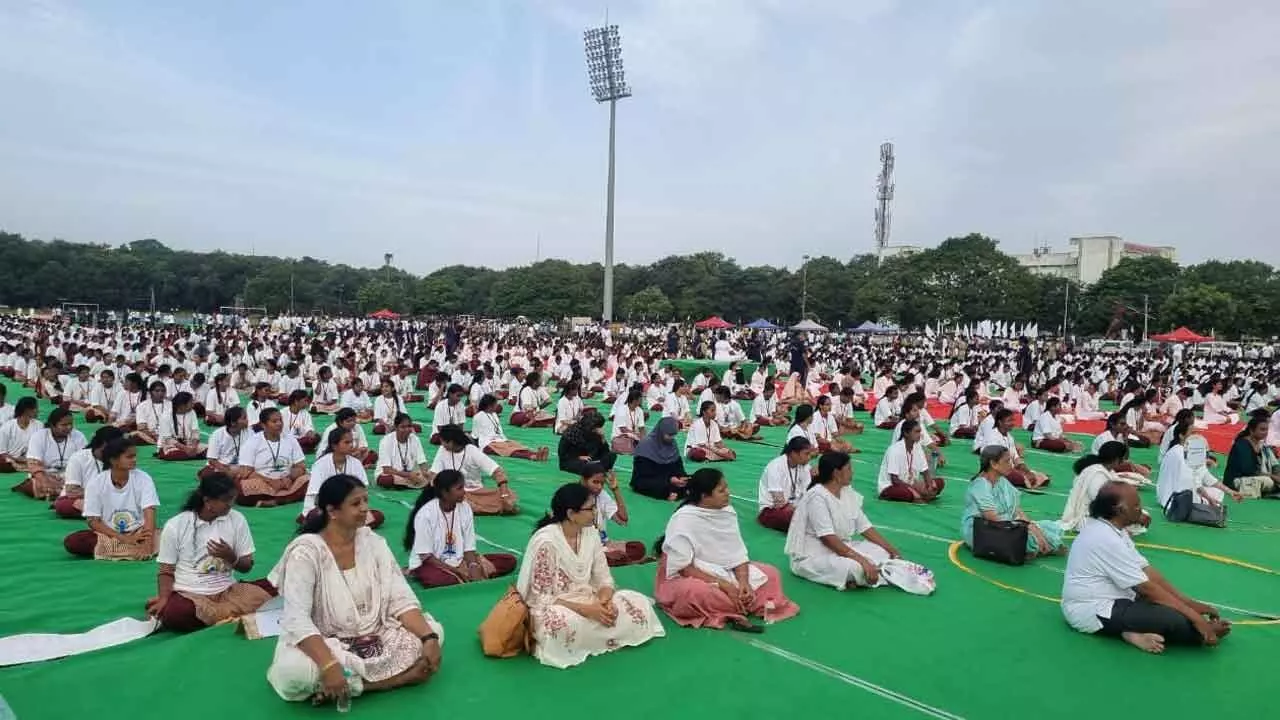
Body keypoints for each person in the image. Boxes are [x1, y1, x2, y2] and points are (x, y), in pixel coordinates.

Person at [265, 475, 444, 706]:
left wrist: (429, 638)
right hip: (328, 642)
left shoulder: (373, 542)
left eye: (366, 500)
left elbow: (401, 599)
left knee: (435, 632)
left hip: (376, 635)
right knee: (294, 672)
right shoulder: (306, 553)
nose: (365, 508)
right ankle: (393, 680)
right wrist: (328, 665)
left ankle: (348, 686)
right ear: (332, 511)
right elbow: (297, 619)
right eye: (356, 503)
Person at [1061, 481, 1231, 653]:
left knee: (1171, 607)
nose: (1141, 509)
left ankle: (1130, 632)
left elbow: (1147, 571)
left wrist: (1189, 603)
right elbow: (1146, 589)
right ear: (1120, 510)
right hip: (1091, 609)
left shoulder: (1117, 531)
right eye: (1136, 505)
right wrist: (1197, 619)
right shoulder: (1105, 538)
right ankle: (1194, 634)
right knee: (1173, 620)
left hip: (1119, 599)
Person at [515, 482, 665, 668]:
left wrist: (604, 602)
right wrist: (587, 610)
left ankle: (595, 634)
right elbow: (541, 598)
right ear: (571, 514)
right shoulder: (547, 542)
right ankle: (597, 634)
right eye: (590, 508)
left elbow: (604, 578)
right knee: (559, 624)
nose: (595, 512)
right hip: (559, 605)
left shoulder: (591, 534)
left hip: (591, 598)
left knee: (637, 602)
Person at [654, 468, 799, 632]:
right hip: (693, 574)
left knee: (771, 574)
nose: (728, 493)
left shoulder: (727, 512)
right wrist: (725, 586)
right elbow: (684, 568)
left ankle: (733, 603)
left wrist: (744, 583)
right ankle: (738, 604)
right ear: (704, 496)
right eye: (721, 490)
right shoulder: (683, 519)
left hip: (725, 569)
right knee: (694, 592)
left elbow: (736, 553)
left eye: (726, 488)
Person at [146, 473, 275, 632]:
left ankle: (214, 616)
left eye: (233, 499)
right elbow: (166, 571)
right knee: (176, 614)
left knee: (278, 586)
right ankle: (229, 613)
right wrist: (164, 598)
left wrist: (231, 557)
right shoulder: (176, 525)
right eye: (226, 500)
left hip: (228, 591)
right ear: (207, 501)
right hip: (192, 595)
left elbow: (246, 566)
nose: (231, 504)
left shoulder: (237, 519)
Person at [785, 451, 906, 589]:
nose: (852, 472)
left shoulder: (847, 492)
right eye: (848, 469)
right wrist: (862, 561)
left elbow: (865, 527)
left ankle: (869, 574)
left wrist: (892, 550)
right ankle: (870, 574)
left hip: (842, 547)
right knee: (856, 568)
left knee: (882, 551)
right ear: (836, 473)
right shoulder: (817, 496)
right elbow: (827, 538)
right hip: (815, 555)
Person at [402, 469, 517, 587]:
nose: (464, 492)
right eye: (459, 488)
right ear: (445, 493)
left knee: (508, 560)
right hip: (432, 563)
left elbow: (469, 547)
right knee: (442, 579)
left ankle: (464, 575)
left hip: (460, 561)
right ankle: (460, 576)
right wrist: (456, 571)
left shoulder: (465, 508)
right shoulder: (425, 514)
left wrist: (473, 566)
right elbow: (426, 556)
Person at [63, 438, 160, 560]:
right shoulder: (96, 482)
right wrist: (124, 538)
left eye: (135, 456)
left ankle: (125, 550)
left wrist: (147, 543)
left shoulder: (144, 478)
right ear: (113, 460)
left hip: (139, 532)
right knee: (74, 542)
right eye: (129, 457)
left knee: (170, 536)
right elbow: (93, 521)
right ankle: (132, 550)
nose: (134, 460)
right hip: (109, 534)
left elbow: (149, 513)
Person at [963, 445, 1064, 557]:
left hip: (1005, 524)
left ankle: (1032, 545)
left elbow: (1016, 510)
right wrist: (1024, 528)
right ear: (993, 464)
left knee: (1047, 527)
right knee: (1028, 538)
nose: (1011, 465)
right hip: (982, 530)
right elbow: (993, 519)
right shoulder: (980, 486)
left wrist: (1031, 526)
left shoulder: (1002, 481)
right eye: (1007, 461)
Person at [1061, 441, 1151, 534]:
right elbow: (1103, 503)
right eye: (1123, 459)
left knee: (1139, 515)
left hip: (1100, 513)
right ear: (1117, 459)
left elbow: (1119, 492)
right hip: (1085, 517)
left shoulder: (1107, 471)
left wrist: (1138, 512)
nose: (1124, 461)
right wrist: (1134, 516)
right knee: (1126, 519)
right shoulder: (1097, 474)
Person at [304, 426, 384, 528]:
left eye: (351, 442)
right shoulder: (321, 464)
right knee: (314, 516)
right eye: (347, 442)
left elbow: (362, 491)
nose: (351, 445)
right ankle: (346, 525)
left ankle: (338, 527)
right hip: (326, 508)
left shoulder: (356, 463)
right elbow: (315, 496)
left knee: (377, 516)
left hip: (350, 508)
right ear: (334, 446)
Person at [430, 423, 517, 515]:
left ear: (451, 442)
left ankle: (472, 507)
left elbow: (497, 472)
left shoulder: (472, 451)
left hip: (475, 493)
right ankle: (474, 507)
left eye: (443, 441)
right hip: (452, 493)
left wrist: (504, 496)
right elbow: (434, 475)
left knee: (508, 496)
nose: (442, 444)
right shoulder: (442, 450)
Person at [234, 408, 310, 507]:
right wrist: (271, 481)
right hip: (263, 483)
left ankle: (274, 501)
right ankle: (285, 499)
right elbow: (246, 472)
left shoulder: (290, 439)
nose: (279, 424)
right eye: (274, 421)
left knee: (308, 480)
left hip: (287, 484)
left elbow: (301, 466)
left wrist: (289, 478)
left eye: (280, 420)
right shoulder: (252, 442)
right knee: (241, 487)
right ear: (263, 425)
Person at [14, 407, 86, 499]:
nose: (69, 427)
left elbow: (84, 460)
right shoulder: (39, 437)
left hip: (71, 477)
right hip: (46, 475)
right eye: (64, 425)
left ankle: (61, 494)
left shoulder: (78, 436)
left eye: (70, 424)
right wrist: (45, 482)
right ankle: (66, 494)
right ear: (52, 425)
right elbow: (34, 464)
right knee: (35, 485)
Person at [53, 425, 123, 519]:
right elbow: (72, 491)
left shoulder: (120, 459)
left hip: (108, 499)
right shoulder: (78, 458)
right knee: (63, 505)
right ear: (104, 444)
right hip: (80, 499)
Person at [877, 420, 944, 503]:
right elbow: (895, 480)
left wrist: (929, 484)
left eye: (920, 431)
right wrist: (913, 490)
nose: (920, 434)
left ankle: (921, 495)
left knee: (940, 482)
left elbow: (925, 471)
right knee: (907, 494)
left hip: (911, 483)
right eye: (916, 432)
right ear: (906, 433)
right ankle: (919, 495)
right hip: (891, 486)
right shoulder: (894, 449)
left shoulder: (917, 447)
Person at [756, 437, 814, 532]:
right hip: (772, 510)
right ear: (793, 453)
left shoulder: (805, 466)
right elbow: (779, 503)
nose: (809, 457)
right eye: (806, 454)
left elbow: (808, 492)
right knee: (795, 518)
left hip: (795, 507)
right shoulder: (775, 466)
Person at [629, 417, 691, 501]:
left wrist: (681, 476)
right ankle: (672, 493)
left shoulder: (672, 444)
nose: (671, 437)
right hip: (648, 479)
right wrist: (669, 479)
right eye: (669, 435)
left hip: (670, 480)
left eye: (673, 435)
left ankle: (675, 493)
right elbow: (644, 473)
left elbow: (678, 466)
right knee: (656, 486)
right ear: (661, 432)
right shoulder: (646, 444)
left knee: (692, 481)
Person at [472, 394, 547, 461]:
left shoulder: (494, 414)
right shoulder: (478, 416)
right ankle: (532, 456)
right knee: (509, 450)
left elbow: (499, 430)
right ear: (489, 406)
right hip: (488, 443)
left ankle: (536, 453)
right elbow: (475, 436)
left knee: (516, 446)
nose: (497, 405)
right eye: (495, 404)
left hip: (501, 439)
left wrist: (504, 440)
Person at [1222, 416, 1280, 496]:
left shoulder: (1263, 446)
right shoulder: (1242, 444)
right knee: (1268, 481)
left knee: (1270, 480)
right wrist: (1273, 477)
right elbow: (1249, 471)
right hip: (1236, 481)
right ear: (1251, 431)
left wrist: (1277, 475)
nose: (1265, 432)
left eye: (1267, 430)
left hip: (1258, 477)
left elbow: (1275, 465)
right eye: (1262, 429)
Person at [375, 413, 433, 489]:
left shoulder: (415, 439)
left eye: (409, 426)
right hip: (391, 474)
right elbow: (387, 470)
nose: (407, 430)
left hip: (409, 473)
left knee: (428, 476)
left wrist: (426, 474)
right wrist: (408, 475)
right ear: (396, 427)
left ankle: (406, 483)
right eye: (403, 427)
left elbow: (422, 463)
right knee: (387, 480)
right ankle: (410, 483)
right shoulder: (386, 441)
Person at [155, 391, 206, 461]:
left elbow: (195, 432)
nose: (193, 404)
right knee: (174, 454)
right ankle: (193, 455)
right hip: (170, 446)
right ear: (182, 405)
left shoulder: (192, 412)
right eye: (191, 402)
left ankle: (190, 454)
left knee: (209, 449)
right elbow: (168, 439)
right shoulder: (166, 416)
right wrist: (186, 449)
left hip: (188, 444)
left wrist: (193, 447)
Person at [0, 396, 42, 473]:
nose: (38, 411)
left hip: (30, 460)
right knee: (4, 461)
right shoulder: (7, 427)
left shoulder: (39, 425)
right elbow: (2, 452)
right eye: (36, 408)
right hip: (11, 459)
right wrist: (16, 460)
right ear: (27, 410)